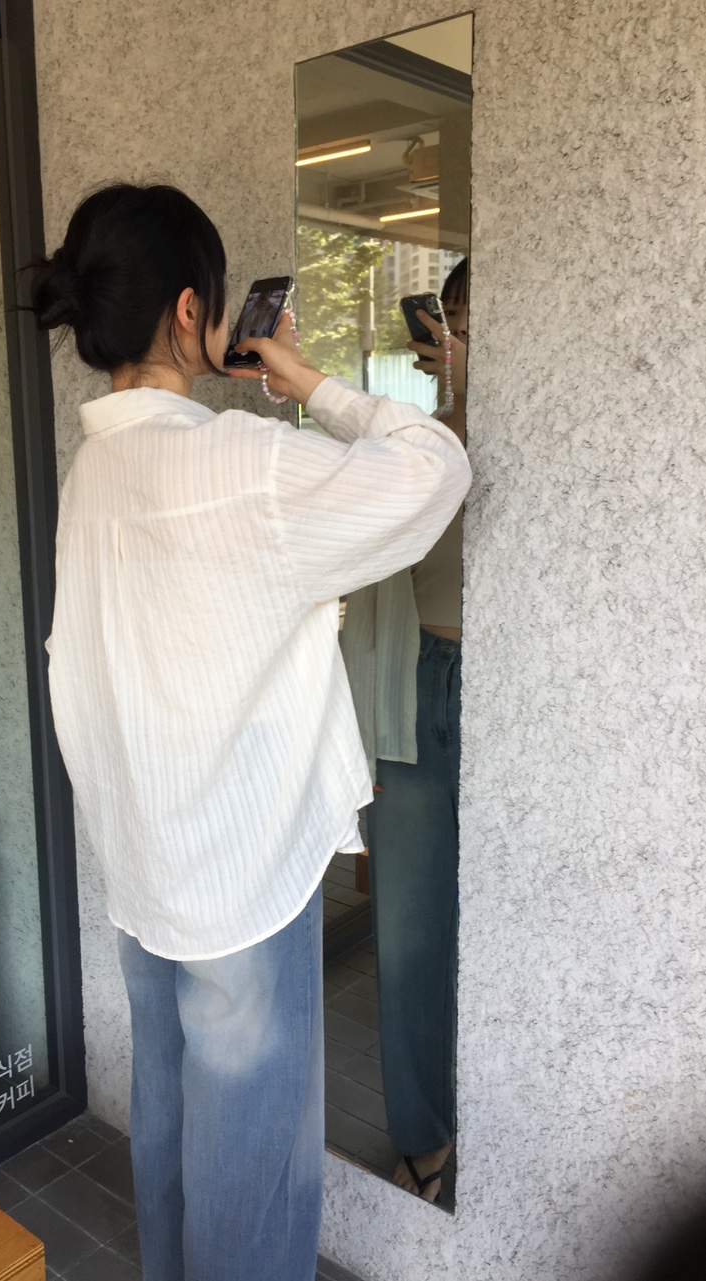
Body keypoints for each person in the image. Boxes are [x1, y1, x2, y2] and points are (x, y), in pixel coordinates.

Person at [33, 183, 470, 1281]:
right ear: (193, 312)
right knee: (257, 1160)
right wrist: (307, 380)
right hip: (243, 868)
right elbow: (435, 467)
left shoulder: (91, 472)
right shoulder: (243, 464)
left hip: (144, 862)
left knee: (172, 1120)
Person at [339, 258, 468, 1204]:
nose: (456, 335)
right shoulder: (421, 443)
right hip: (420, 679)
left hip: (520, 686)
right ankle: (425, 1131)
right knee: (412, 924)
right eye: (451, 316)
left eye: (472, 320)